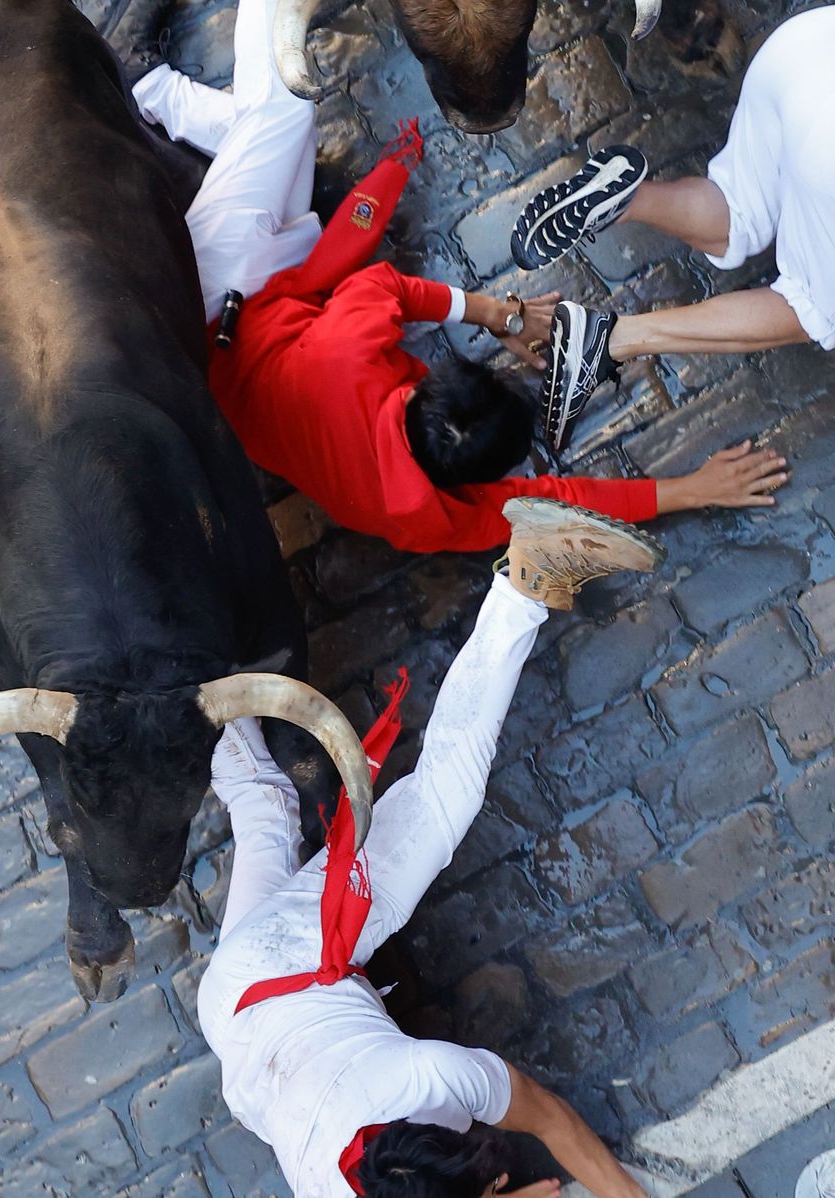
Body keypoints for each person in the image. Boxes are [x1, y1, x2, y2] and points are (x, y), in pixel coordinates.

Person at [124, 0, 788, 555]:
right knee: (277, 142)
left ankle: (145, 85)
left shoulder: (353, 363)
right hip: (282, 316)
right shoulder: (421, 514)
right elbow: (551, 501)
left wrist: (503, 316)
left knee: (288, 115)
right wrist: (686, 491)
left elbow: (389, 288)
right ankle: (164, 98)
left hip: (220, 295)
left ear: (422, 395)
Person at [196, 497, 663, 1198]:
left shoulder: (434, 1078)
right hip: (231, 1014)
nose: (506, 1177)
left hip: (292, 963)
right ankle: (191, 685)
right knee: (265, 809)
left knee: (444, 798)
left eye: (493, 1187)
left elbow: (553, 1126)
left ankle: (528, 575)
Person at [510, 6, 835, 452]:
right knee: (813, 307)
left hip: (807, 44)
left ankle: (623, 198)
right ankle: (610, 340)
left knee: (739, 206)